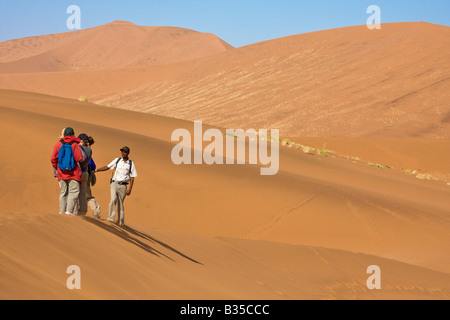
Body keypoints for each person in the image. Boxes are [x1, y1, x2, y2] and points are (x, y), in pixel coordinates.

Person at [96, 146, 137, 227]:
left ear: (128, 153)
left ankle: (121, 222)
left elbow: (132, 177)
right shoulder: (117, 160)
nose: (123, 153)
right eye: (122, 151)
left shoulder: (131, 164)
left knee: (121, 203)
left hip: (123, 186)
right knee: (113, 199)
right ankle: (110, 218)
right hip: (114, 183)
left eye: (124, 152)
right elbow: (107, 167)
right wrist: (97, 170)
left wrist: (130, 189)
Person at [51, 127, 83, 215]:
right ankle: (68, 211)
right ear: (73, 134)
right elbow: (79, 158)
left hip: (61, 173)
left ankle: (61, 211)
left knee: (63, 192)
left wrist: (57, 168)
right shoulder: (75, 145)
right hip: (73, 173)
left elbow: (53, 159)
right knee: (73, 192)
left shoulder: (58, 144)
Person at [77, 133, 93, 217]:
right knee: (83, 194)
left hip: (78, 173)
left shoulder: (79, 149)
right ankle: (83, 212)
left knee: (76, 193)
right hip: (85, 173)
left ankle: (75, 211)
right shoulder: (89, 150)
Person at [86, 136, 101, 218]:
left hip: (81, 178)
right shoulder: (89, 153)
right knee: (88, 197)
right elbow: (94, 167)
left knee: (83, 197)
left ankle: (78, 215)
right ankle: (97, 212)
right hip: (87, 177)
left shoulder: (82, 151)